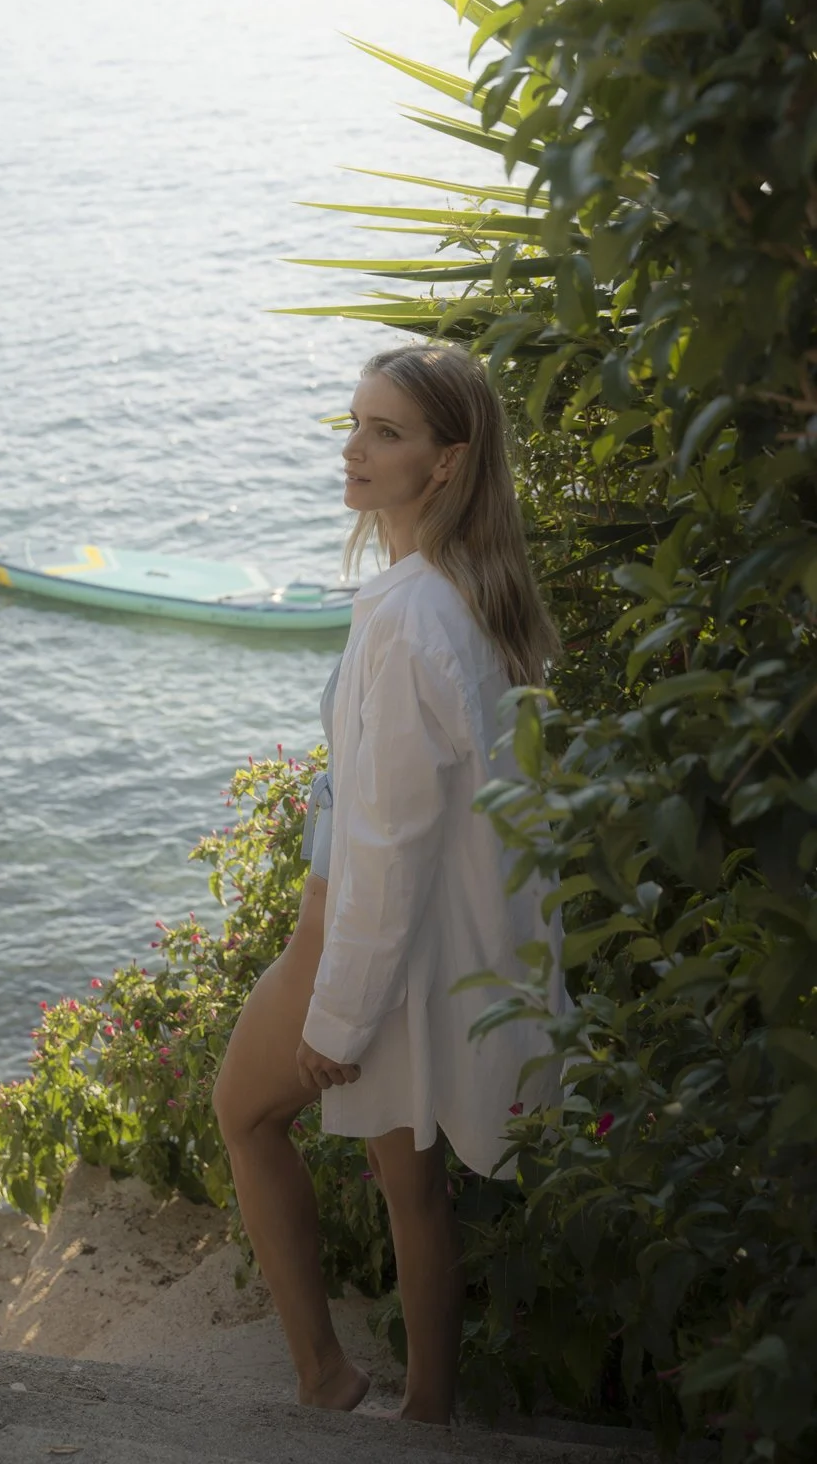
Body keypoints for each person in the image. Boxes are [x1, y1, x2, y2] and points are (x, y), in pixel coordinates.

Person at [212, 342, 565, 1425]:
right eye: (355, 423)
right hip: (414, 946)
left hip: (350, 937)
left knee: (241, 1110)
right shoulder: (474, 595)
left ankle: (326, 1376)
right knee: (412, 1186)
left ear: (445, 460)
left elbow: (390, 836)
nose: (355, 449)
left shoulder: (407, 617)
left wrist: (343, 1008)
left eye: (387, 432)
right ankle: (426, 1413)